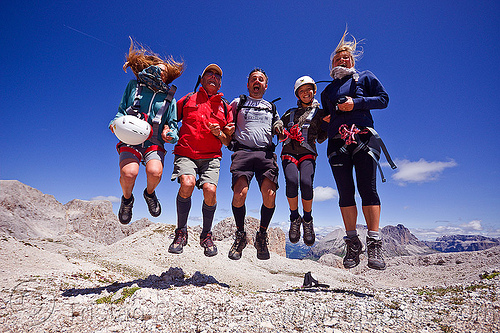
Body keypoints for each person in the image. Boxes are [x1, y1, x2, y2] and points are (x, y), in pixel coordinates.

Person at [320, 30, 390, 270]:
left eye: (346, 57)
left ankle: (373, 242)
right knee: (345, 192)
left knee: (368, 189)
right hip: (337, 143)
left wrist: (355, 103)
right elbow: (328, 115)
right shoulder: (327, 91)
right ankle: (352, 243)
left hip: (363, 138)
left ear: (353, 60)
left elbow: (383, 100)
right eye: (337, 58)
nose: (342, 60)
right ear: (331, 64)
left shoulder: (365, 78)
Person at [110, 38, 184, 225]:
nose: (161, 71)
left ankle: (149, 194)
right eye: (159, 68)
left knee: (155, 172)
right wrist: (114, 123)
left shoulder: (170, 99)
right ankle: (127, 200)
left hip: (154, 142)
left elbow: (173, 126)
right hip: (130, 139)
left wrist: (171, 135)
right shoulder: (133, 87)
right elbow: (120, 111)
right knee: (129, 173)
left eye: (164, 71)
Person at [169, 64, 234, 257]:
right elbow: (171, 119)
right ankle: (181, 232)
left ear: (220, 82)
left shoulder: (224, 106)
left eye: (217, 75)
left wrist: (220, 133)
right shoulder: (189, 99)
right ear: (202, 78)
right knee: (187, 183)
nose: (213, 77)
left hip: (211, 156)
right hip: (186, 152)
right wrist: (167, 131)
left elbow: (227, 141)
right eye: (209, 73)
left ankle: (206, 234)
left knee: (210, 190)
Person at [227, 68, 281, 261]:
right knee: (239, 194)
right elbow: (225, 119)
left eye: (261, 80)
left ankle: (262, 235)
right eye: (253, 79)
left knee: (270, 195)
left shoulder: (271, 107)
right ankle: (241, 235)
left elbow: (278, 126)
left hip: (266, 154)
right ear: (248, 84)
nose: (257, 82)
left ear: (266, 86)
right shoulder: (238, 103)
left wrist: (280, 129)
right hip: (242, 152)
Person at [277, 76, 327, 247]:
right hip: (288, 152)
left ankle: (307, 220)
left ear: (314, 91)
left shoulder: (320, 114)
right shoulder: (289, 113)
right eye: (302, 91)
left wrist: (327, 124)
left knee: (306, 183)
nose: (306, 93)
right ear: (297, 95)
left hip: (308, 152)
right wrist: (278, 127)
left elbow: (321, 138)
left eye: (308, 90)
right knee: (291, 182)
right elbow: (277, 124)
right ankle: (294, 218)